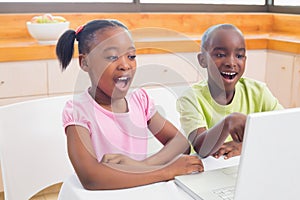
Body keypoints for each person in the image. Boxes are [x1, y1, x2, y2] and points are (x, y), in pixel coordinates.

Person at [56, 19, 203, 190]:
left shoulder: (139, 100)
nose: (125, 65)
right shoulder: (78, 111)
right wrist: (165, 171)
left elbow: (181, 143)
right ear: (85, 62)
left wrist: (141, 166)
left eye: (131, 56)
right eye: (112, 57)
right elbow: (91, 179)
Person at [176, 23, 283, 159]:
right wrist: (228, 123)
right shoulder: (190, 98)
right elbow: (201, 148)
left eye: (239, 56)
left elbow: (283, 129)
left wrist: (244, 146)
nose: (231, 63)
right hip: (206, 171)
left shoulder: (258, 91)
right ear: (202, 60)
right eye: (220, 54)